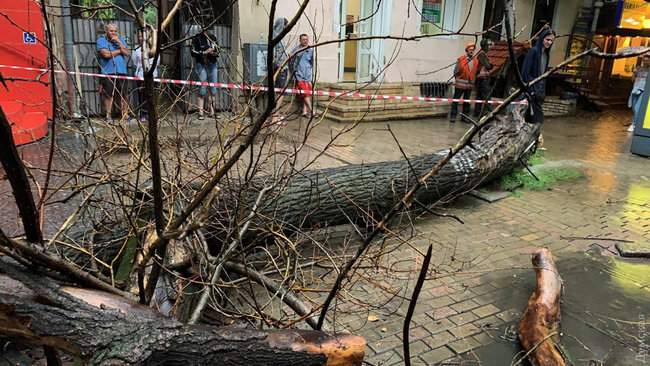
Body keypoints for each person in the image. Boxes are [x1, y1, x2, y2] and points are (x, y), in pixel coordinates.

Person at [96, 22, 130, 122]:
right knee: (108, 94)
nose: (113, 33)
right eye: (111, 31)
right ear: (106, 31)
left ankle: (125, 114)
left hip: (121, 71)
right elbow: (105, 54)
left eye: (115, 31)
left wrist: (119, 42)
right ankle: (108, 115)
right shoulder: (101, 40)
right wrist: (120, 51)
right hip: (108, 72)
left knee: (123, 94)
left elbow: (127, 53)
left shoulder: (121, 40)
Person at [521, 27, 555, 124]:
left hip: (539, 93)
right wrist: (532, 89)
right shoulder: (533, 52)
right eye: (547, 39)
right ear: (542, 38)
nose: (549, 42)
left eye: (551, 41)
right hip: (531, 92)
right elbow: (525, 73)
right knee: (537, 120)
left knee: (532, 121)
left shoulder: (546, 55)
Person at [191, 30, 219, 120]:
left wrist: (213, 52)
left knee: (213, 89)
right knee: (202, 89)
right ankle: (201, 113)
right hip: (201, 64)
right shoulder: (197, 38)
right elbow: (193, 52)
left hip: (212, 64)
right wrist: (204, 52)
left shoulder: (213, 37)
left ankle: (212, 112)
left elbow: (218, 51)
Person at [133, 26, 159, 122]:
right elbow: (135, 63)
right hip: (140, 76)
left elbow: (157, 62)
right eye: (139, 36)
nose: (141, 38)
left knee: (152, 96)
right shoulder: (136, 50)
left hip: (154, 75)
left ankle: (152, 114)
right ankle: (143, 114)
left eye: (143, 36)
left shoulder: (154, 49)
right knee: (142, 96)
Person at [450, 43, 478, 123]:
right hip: (460, 85)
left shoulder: (476, 61)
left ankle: (465, 117)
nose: (472, 51)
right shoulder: (461, 59)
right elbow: (455, 71)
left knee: (466, 102)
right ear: (467, 50)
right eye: (470, 50)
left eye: (473, 50)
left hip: (469, 86)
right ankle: (453, 116)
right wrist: (458, 79)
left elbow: (475, 72)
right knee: (456, 100)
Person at [271, 17, 290, 124]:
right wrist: (279, 69)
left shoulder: (276, 36)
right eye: (285, 26)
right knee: (280, 92)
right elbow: (275, 56)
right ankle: (275, 116)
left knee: (279, 92)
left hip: (281, 67)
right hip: (280, 68)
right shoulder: (277, 38)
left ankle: (276, 115)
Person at [291, 34, 314, 117]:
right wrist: (294, 72)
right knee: (305, 94)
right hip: (299, 76)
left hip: (307, 77)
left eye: (306, 39)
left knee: (307, 94)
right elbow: (291, 61)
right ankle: (311, 111)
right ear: (300, 40)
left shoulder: (310, 50)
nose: (305, 41)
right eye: (303, 39)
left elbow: (311, 63)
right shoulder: (296, 50)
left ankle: (305, 111)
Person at [628, 55, 650, 132]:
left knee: (637, 108)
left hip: (643, 91)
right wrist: (634, 73)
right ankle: (637, 122)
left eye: (647, 60)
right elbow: (632, 80)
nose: (645, 62)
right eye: (644, 60)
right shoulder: (638, 68)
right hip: (635, 89)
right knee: (634, 108)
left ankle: (633, 124)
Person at [474, 38, 494, 118]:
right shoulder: (481, 54)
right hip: (482, 79)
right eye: (488, 45)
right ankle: (489, 112)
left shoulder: (483, 54)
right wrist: (490, 66)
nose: (490, 46)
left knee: (479, 96)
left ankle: (478, 112)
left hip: (481, 78)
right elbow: (488, 66)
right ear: (484, 46)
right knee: (487, 96)